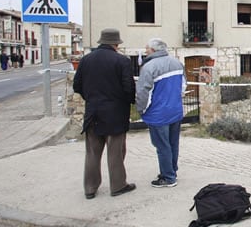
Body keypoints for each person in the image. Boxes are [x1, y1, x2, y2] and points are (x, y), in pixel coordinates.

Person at [73, 28, 136, 199]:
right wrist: (126, 102)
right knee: (115, 152)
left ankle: (90, 188)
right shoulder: (122, 61)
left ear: (101, 42)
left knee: (92, 152)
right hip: (115, 113)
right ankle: (118, 186)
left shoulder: (85, 60)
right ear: (116, 44)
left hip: (93, 112)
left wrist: (91, 98)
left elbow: (76, 86)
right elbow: (129, 88)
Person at [136, 38, 186, 188]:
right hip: (175, 111)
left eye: (147, 50)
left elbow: (144, 92)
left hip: (158, 114)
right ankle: (171, 170)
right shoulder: (177, 63)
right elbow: (183, 87)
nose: (145, 52)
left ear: (153, 50)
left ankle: (168, 177)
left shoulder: (149, 67)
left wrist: (141, 110)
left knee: (162, 145)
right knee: (173, 143)